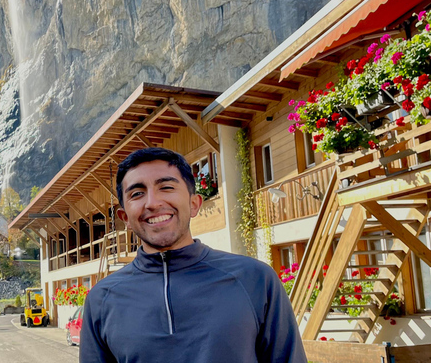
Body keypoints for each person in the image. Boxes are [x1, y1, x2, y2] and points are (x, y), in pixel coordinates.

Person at [80, 148, 307, 363]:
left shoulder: (255, 279)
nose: (153, 203)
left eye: (166, 187)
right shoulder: (102, 299)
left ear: (194, 203)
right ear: (125, 217)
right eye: (137, 193)